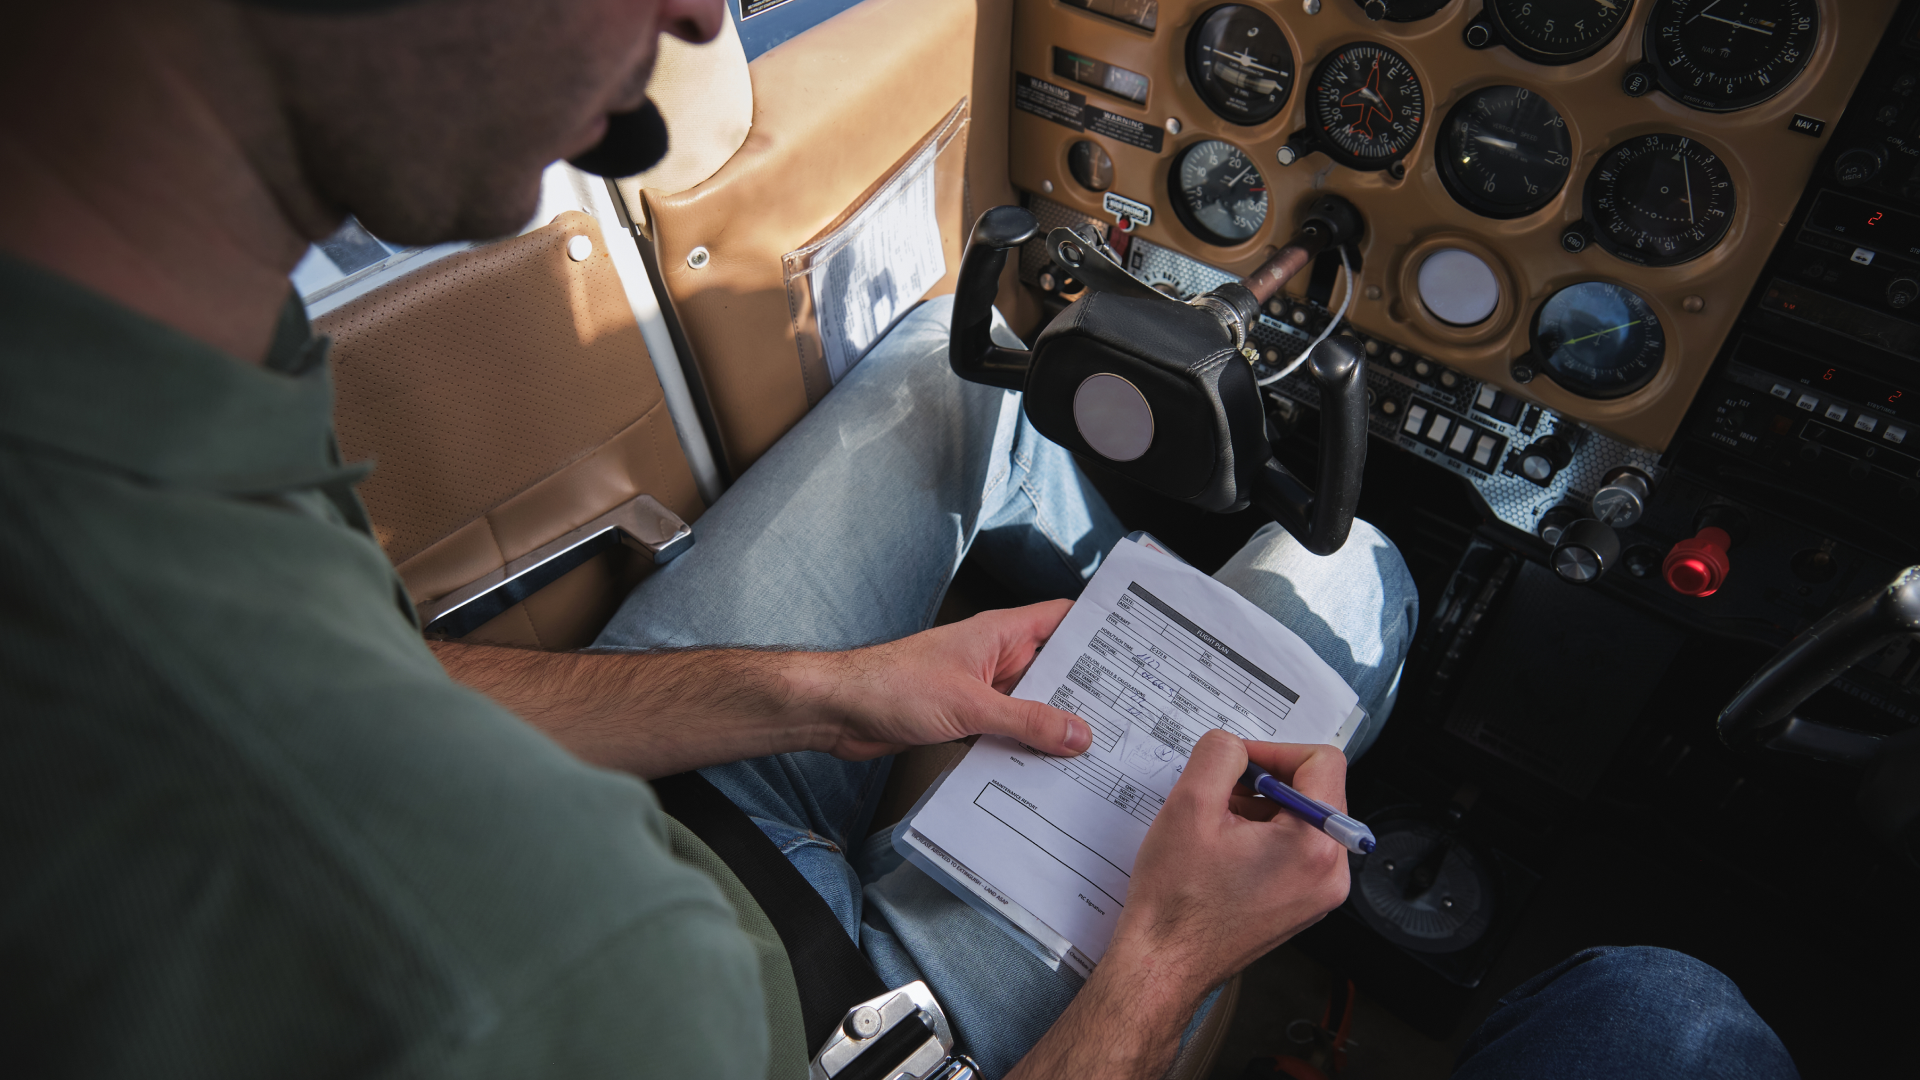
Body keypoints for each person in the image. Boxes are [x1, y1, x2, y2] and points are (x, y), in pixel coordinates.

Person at [0, 1, 1798, 1077]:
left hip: (665, 806)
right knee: (1346, 574)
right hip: (846, 1008)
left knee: (958, 375)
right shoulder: (544, 973)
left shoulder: (154, 405)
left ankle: (1068, 635)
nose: (708, 17)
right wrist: (1161, 962)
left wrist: (822, 693)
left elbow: (373, 692)